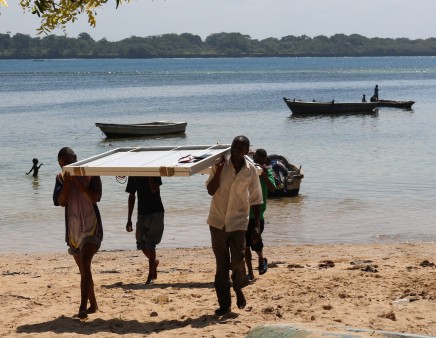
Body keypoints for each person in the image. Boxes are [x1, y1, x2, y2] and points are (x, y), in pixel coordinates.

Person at [206, 135, 263, 316]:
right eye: (234, 146)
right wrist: (220, 168)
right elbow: (210, 190)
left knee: (238, 262)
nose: (236, 149)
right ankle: (224, 305)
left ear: (247, 151)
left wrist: (256, 226)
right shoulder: (219, 164)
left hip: (238, 222)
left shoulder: (250, 170)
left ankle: (238, 288)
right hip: (217, 221)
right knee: (221, 266)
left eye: (240, 147)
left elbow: (256, 198)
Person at [53, 147, 103, 320]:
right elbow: (60, 201)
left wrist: (78, 183)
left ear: (75, 158)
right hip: (73, 231)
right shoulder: (60, 178)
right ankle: (93, 304)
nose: (65, 167)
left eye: (67, 162)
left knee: (86, 263)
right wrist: (68, 182)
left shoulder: (91, 173)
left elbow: (95, 197)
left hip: (91, 227)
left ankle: (82, 306)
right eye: (62, 165)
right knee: (84, 269)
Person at [126, 176, 164, 284]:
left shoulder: (154, 170)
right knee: (140, 243)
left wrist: (149, 174)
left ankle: (150, 275)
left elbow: (154, 188)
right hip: (142, 213)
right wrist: (129, 219)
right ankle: (154, 263)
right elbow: (132, 195)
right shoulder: (133, 172)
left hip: (156, 212)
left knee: (150, 244)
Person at [245, 149, 276, 281]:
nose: (257, 161)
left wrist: (263, 174)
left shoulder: (266, 172)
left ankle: (261, 259)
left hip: (258, 215)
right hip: (245, 214)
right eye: (255, 159)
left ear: (265, 161)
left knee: (256, 242)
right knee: (245, 245)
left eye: (260, 160)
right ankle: (250, 272)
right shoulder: (249, 170)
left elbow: (273, 188)